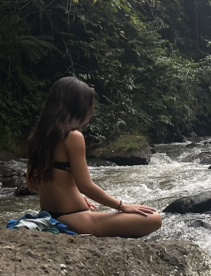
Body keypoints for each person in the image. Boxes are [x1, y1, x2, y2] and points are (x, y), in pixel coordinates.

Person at [27, 77, 162, 238]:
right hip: (75, 219)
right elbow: (85, 186)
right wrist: (121, 206)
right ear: (78, 107)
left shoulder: (38, 137)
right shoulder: (72, 137)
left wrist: (71, 194)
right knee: (155, 218)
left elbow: (31, 184)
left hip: (49, 216)